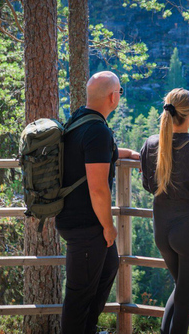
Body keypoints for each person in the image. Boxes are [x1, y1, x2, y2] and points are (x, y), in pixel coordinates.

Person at [55, 71, 140, 334]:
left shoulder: (80, 120)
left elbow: (99, 155)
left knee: (109, 267)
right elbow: (98, 188)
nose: (120, 96)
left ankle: (88, 329)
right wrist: (108, 226)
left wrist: (132, 154)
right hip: (86, 225)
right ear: (113, 97)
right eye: (120, 91)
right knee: (79, 295)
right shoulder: (96, 130)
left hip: (75, 219)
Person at [139, 88, 189, 334]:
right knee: (185, 298)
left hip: (161, 229)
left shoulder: (150, 144)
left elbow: (149, 185)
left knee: (181, 288)